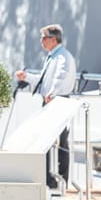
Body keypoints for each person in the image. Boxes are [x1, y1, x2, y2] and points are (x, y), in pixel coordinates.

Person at [15, 23, 76, 189]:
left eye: (44, 38)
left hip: (58, 101)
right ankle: (50, 179)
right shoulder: (52, 57)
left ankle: (61, 180)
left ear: (53, 39)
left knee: (61, 141)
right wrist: (26, 76)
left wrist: (52, 93)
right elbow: (43, 81)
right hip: (51, 101)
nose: (41, 41)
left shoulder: (63, 56)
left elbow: (60, 76)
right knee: (48, 140)